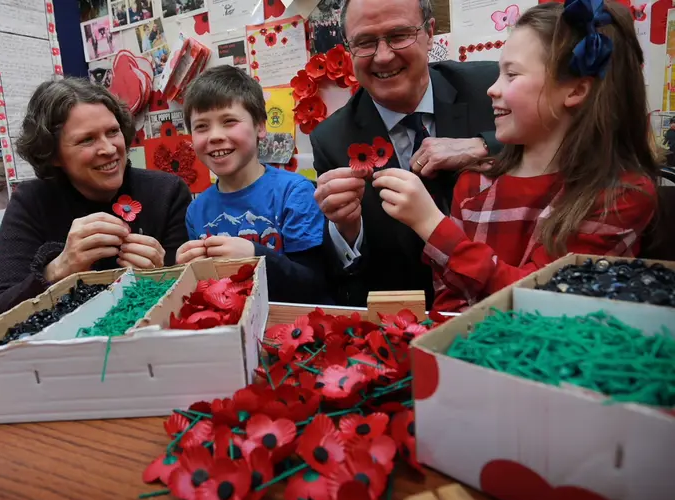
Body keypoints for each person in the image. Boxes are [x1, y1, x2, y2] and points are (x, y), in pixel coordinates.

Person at [373, 0, 658, 312]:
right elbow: (450, 305)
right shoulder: (473, 185)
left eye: (512, 74)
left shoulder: (619, 196)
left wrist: (432, 225)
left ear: (575, 91)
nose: (492, 89)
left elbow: (547, 306)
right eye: (499, 73)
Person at [312, 0, 499, 307]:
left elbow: (570, 138)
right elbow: (346, 276)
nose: (383, 56)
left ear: (430, 33)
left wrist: (483, 146)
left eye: (399, 35)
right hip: (410, 321)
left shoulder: (488, 88)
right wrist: (346, 231)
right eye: (365, 42)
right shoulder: (332, 139)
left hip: (504, 305)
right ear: (349, 50)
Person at [0, 78, 191, 318]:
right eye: (87, 139)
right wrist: (58, 270)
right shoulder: (31, 202)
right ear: (52, 154)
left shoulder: (167, 192)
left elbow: (192, 295)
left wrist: (161, 276)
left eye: (113, 132)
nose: (109, 149)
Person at [175, 66, 328, 303]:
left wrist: (256, 255)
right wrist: (187, 272)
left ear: (260, 126)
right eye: (201, 126)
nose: (214, 135)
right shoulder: (196, 210)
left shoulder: (295, 193)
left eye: (229, 121)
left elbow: (314, 285)